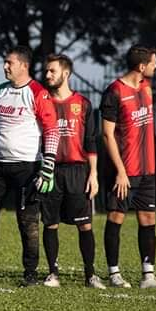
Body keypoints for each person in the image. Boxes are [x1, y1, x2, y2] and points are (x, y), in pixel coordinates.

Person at [0, 45, 58, 286]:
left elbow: (52, 130)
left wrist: (48, 164)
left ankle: (30, 274)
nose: (5, 66)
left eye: (9, 62)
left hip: (27, 168)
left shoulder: (38, 93)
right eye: (5, 62)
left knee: (27, 222)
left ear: (24, 65)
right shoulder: (0, 91)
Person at [100, 44, 156, 290]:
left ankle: (148, 276)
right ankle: (114, 274)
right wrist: (120, 171)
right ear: (142, 66)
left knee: (148, 218)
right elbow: (108, 135)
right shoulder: (114, 92)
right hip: (125, 171)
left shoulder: (147, 88)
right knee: (116, 217)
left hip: (147, 169)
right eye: (154, 62)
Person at [41, 54, 105, 289]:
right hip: (51, 170)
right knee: (50, 223)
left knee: (85, 224)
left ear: (65, 74)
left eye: (52, 71)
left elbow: (91, 142)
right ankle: (52, 273)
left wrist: (94, 174)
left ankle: (90, 275)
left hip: (78, 172)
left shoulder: (84, 104)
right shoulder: (42, 102)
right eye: (46, 71)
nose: (48, 75)